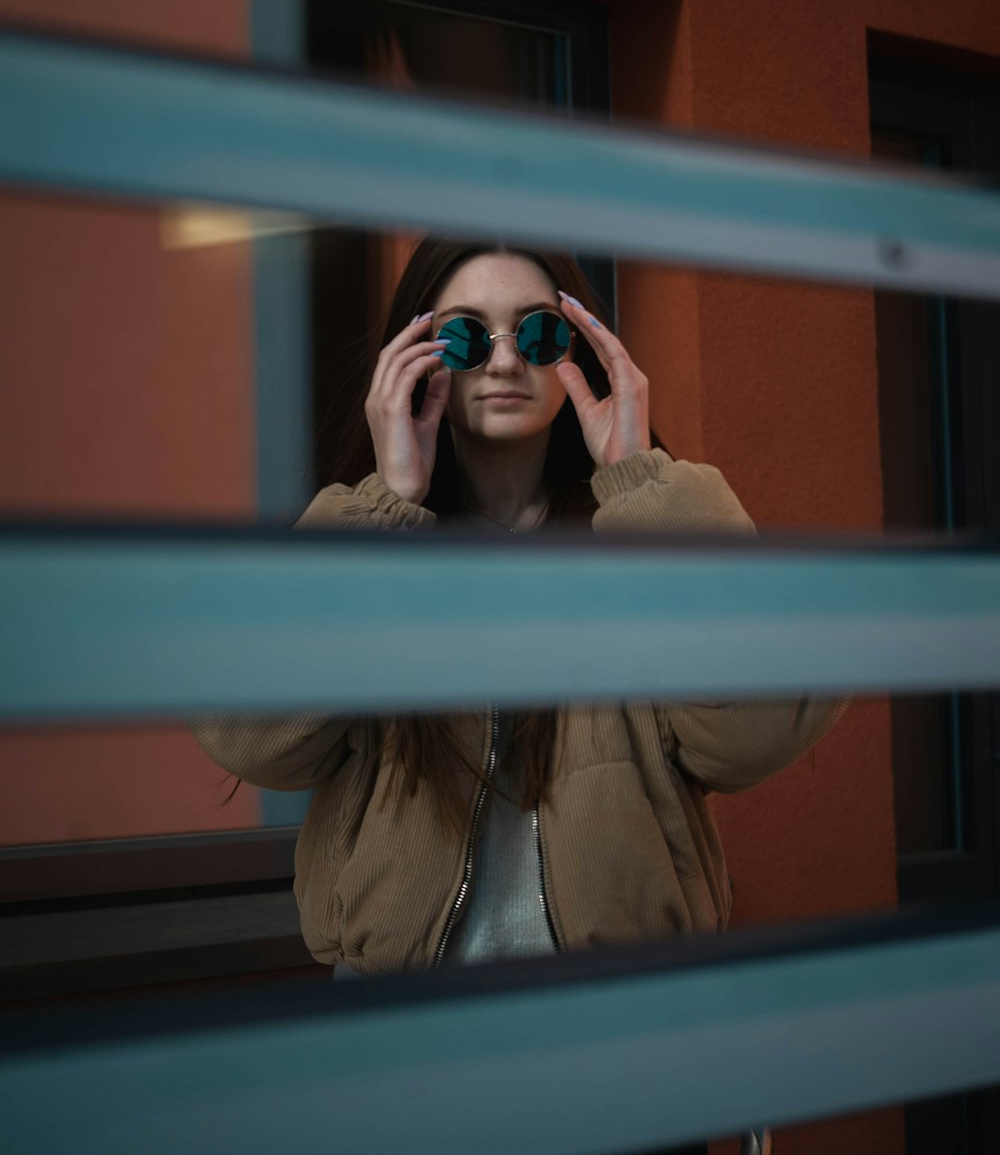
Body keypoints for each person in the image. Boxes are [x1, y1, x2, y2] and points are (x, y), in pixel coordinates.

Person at [191, 238, 846, 984]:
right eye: (465, 336)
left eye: (538, 333)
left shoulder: (640, 542)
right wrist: (385, 505)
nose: (505, 362)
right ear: (412, 358)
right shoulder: (377, 555)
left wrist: (640, 482)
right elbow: (250, 737)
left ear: (583, 350)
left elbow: (758, 732)